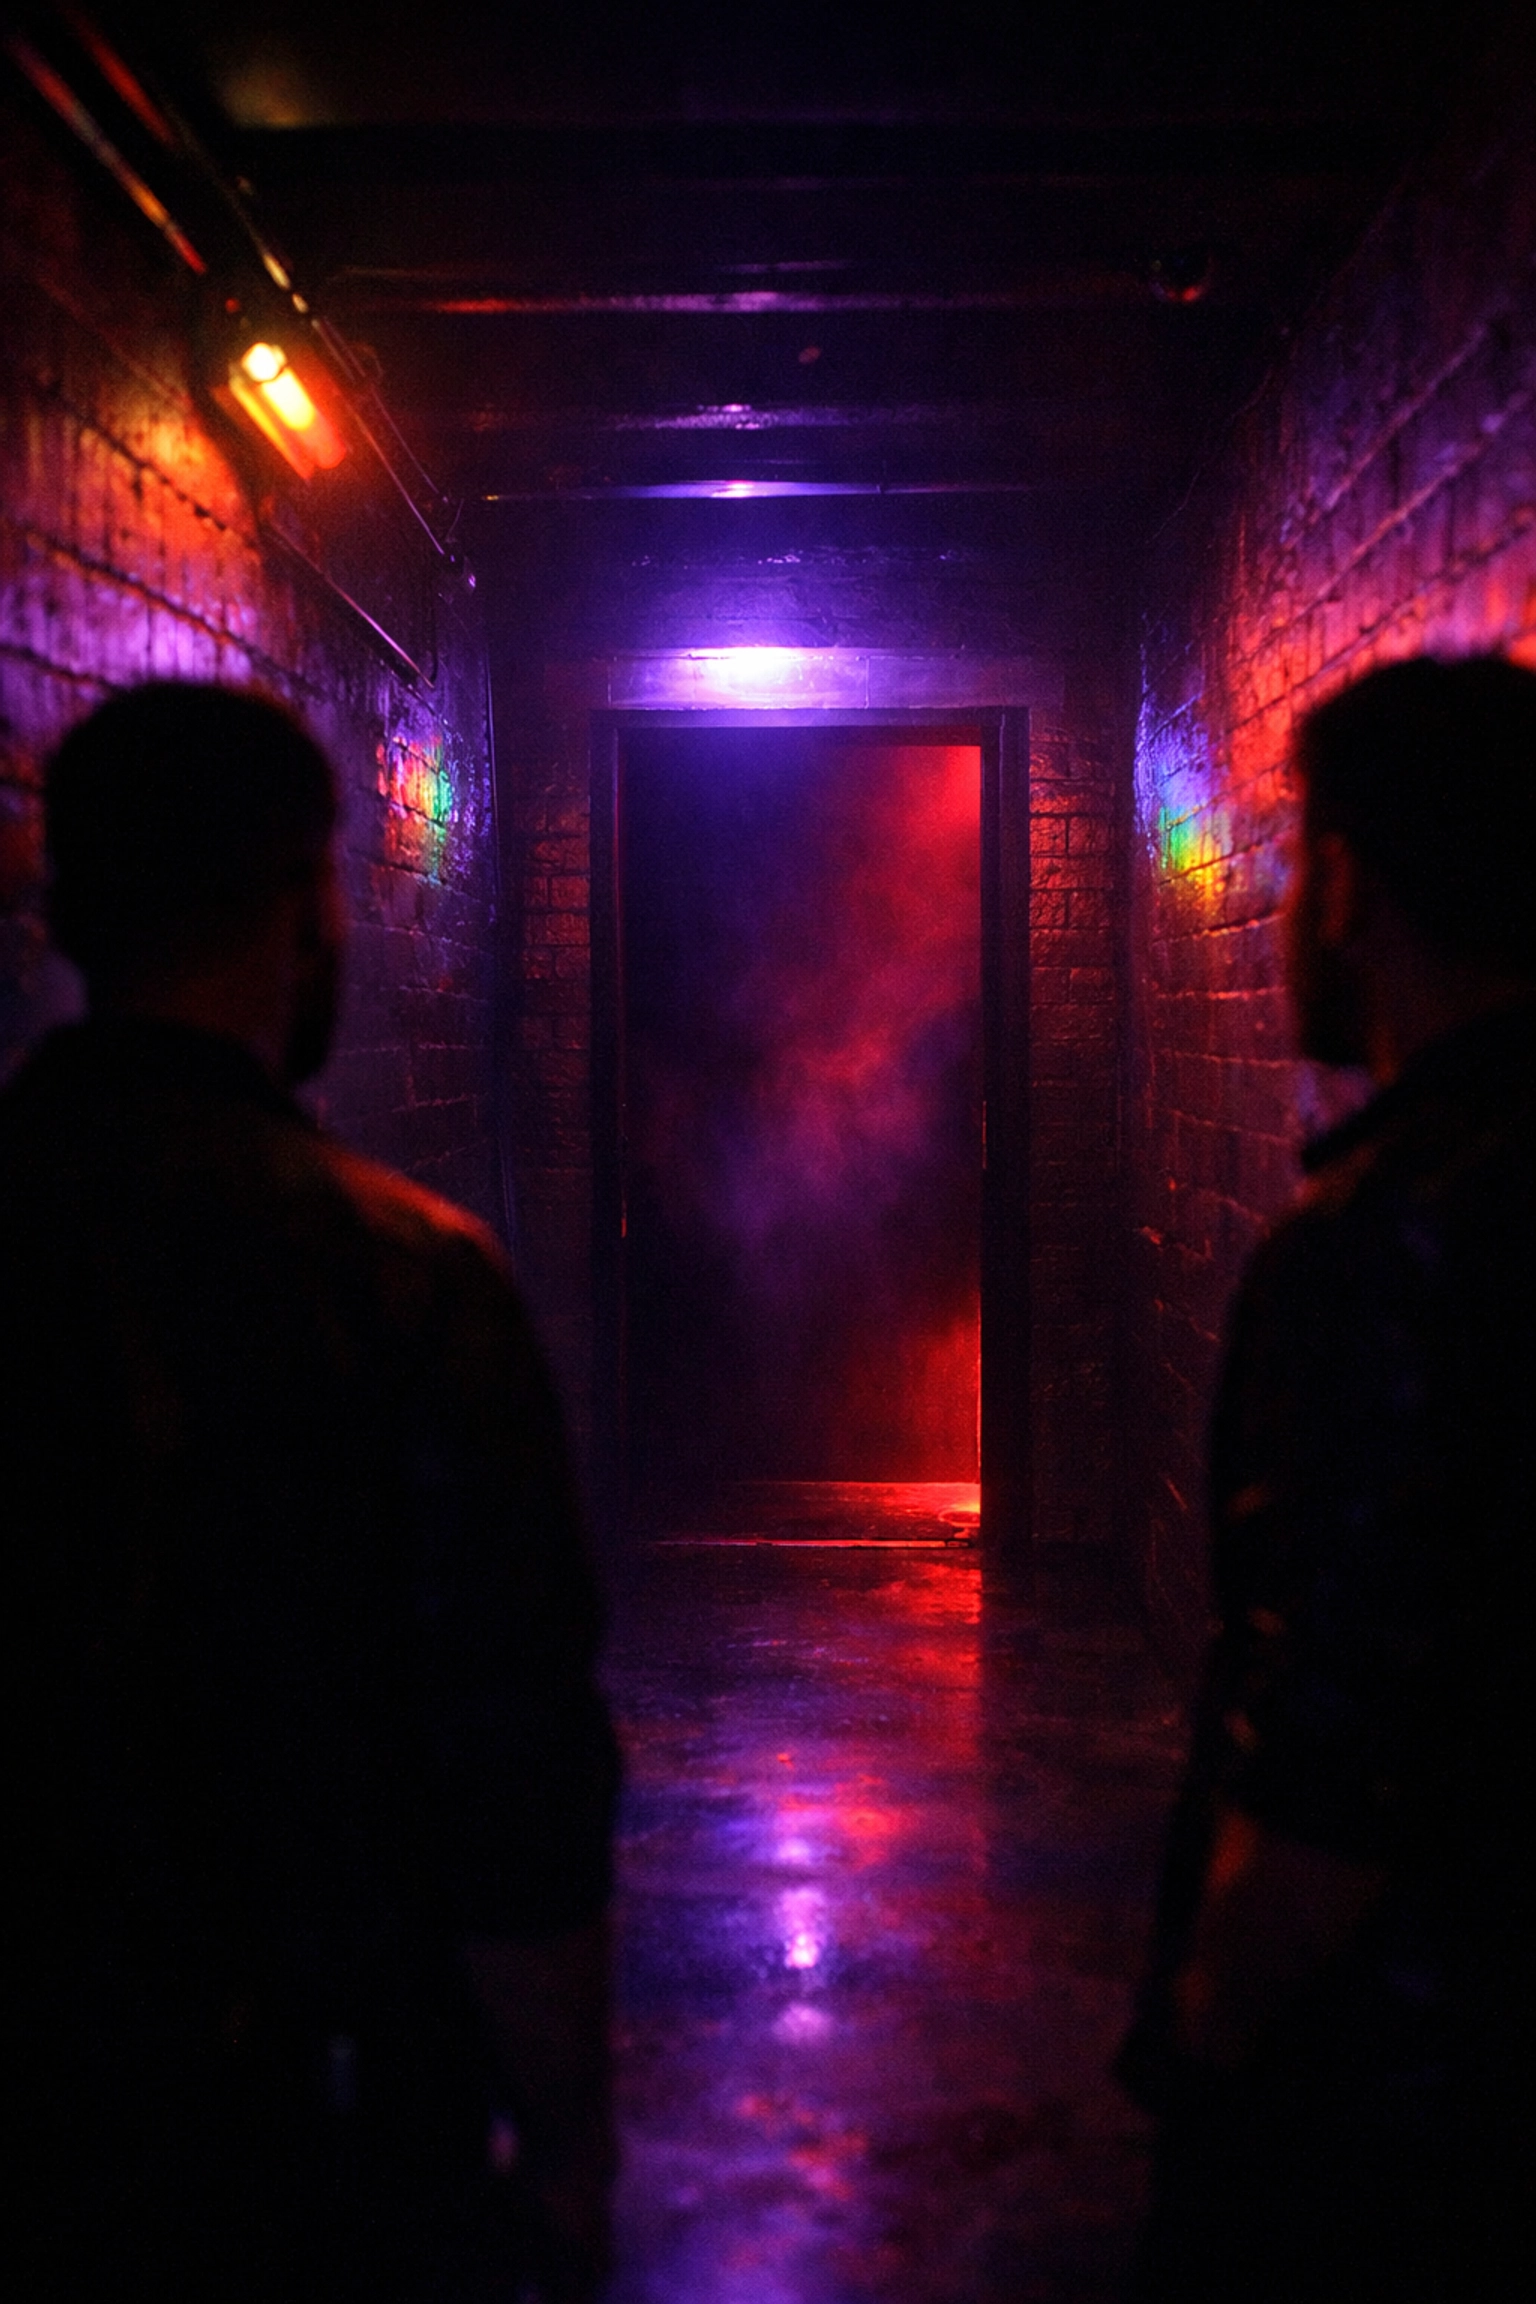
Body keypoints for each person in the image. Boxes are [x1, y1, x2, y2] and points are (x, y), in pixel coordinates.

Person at [3, 683, 619, 2302]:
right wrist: (567, 2145)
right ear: (309, 909)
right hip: (320, 2125)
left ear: (66, 914)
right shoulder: (405, 1277)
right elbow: (513, 1771)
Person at [1119, 654, 1534, 2301]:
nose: (1287, 903)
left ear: (1351, 884)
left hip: (1403, 2093)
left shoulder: (1387, 1237)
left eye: (1297, 861)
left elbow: (1338, 1738)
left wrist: (1211, 2027)